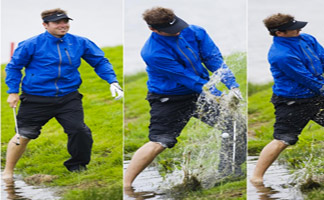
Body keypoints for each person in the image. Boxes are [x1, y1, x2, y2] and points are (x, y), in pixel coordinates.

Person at [124, 7, 246, 188]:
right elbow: (186, 78)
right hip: (169, 99)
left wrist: (232, 86)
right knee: (160, 142)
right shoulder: (153, 52)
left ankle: (229, 171)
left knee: (236, 124)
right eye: (170, 30)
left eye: (177, 25)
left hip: (199, 94)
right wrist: (221, 96)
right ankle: (126, 185)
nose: (178, 31)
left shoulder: (195, 31)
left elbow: (213, 58)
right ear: (153, 29)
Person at [2, 8, 123, 180]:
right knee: (24, 134)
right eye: (57, 22)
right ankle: (8, 171)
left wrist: (112, 81)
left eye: (65, 21)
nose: (63, 25)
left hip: (68, 97)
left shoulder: (79, 42)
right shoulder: (31, 44)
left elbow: (100, 61)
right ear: (45, 25)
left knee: (79, 130)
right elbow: (13, 67)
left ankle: (77, 167)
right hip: (36, 98)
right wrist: (13, 92)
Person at [250, 13, 324, 184]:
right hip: (292, 102)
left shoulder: (307, 39)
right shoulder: (281, 55)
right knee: (283, 140)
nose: (299, 29)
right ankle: (256, 178)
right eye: (293, 28)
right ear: (279, 32)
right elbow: (307, 80)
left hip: (317, 97)